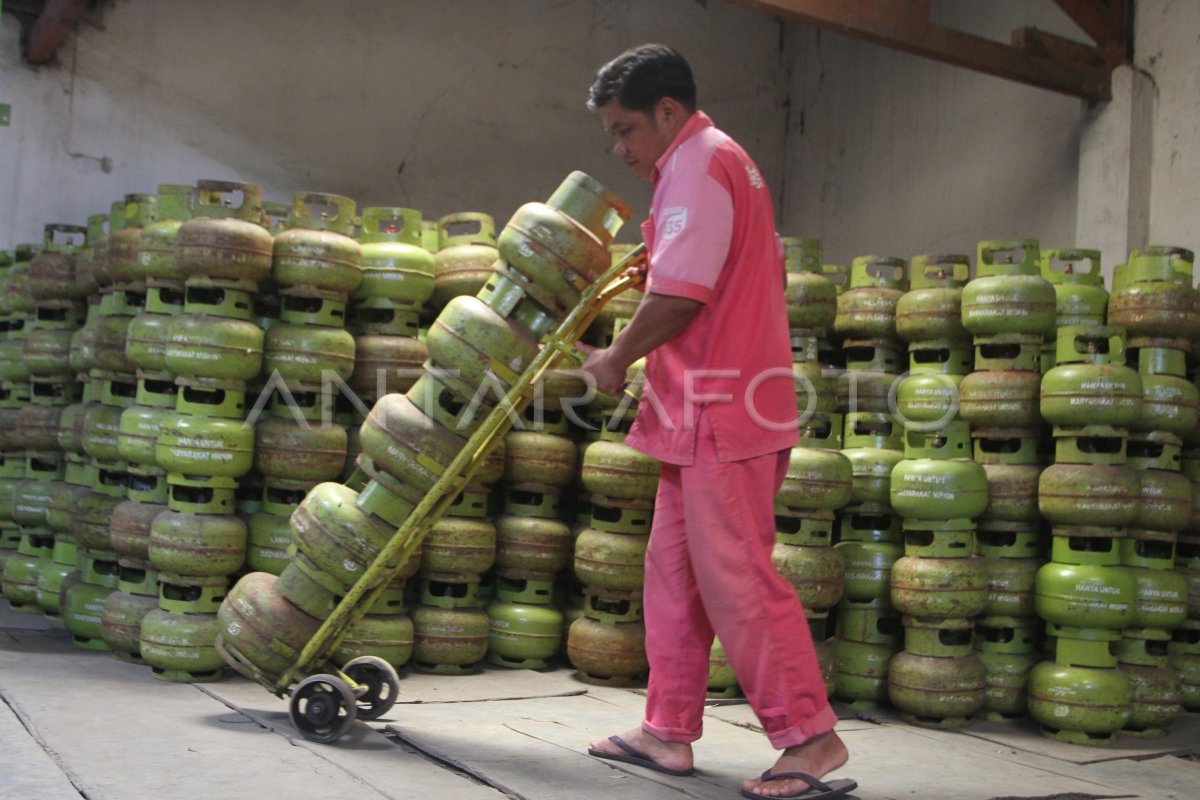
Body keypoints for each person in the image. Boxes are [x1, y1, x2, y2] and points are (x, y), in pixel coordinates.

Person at [579, 44, 857, 800]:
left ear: (668, 112)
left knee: (735, 579)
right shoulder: (708, 162)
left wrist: (612, 358)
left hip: (722, 407)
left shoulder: (700, 165)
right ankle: (667, 729)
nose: (621, 148)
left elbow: (682, 297)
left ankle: (811, 736)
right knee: (672, 574)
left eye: (628, 130)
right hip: (695, 406)